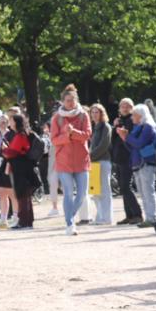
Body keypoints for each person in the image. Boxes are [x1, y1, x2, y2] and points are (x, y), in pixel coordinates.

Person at [51, 85, 92, 236]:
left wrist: (73, 132)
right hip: (64, 161)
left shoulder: (83, 115)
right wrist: (66, 136)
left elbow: (87, 135)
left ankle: (70, 216)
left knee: (81, 195)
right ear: (63, 101)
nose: (70, 103)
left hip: (82, 160)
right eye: (67, 100)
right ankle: (70, 224)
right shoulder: (57, 118)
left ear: (76, 100)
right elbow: (54, 140)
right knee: (68, 193)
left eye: (73, 100)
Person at [121, 104, 156, 228]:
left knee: (148, 191)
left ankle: (152, 217)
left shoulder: (148, 127)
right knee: (143, 192)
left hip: (146, 162)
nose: (132, 117)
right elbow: (131, 147)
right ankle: (149, 217)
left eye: (134, 115)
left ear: (140, 115)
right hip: (138, 163)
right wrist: (124, 138)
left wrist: (127, 136)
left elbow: (139, 144)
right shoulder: (138, 127)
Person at [2, 114, 40, 229]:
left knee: (22, 195)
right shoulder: (21, 134)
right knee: (24, 196)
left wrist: (4, 149)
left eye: (11, 120)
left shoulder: (20, 135)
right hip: (23, 167)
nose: (9, 122)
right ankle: (27, 221)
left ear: (16, 122)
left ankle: (24, 222)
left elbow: (13, 152)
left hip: (21, 169)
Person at [89, 104, 113, 225]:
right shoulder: (95, 127)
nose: (94, 114)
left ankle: (107, 218)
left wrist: (89, 156)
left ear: (102, 113)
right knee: (95, 192)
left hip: (103, 162)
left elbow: (104, 146)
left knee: (104, 191)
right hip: (93, 163)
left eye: (96, 112)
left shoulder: (106, 127)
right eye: (92, 112)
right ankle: (99, 217)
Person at [0, 115, 17, 229]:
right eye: (0, 121)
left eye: (4, 121)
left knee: (12, 193)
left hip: (9, 164)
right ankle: (3, 218)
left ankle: (16, 217)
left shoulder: (11, 134)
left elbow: (14, 150)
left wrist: (6, 147)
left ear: (8, 123)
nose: (2, 123)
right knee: (1, 192)